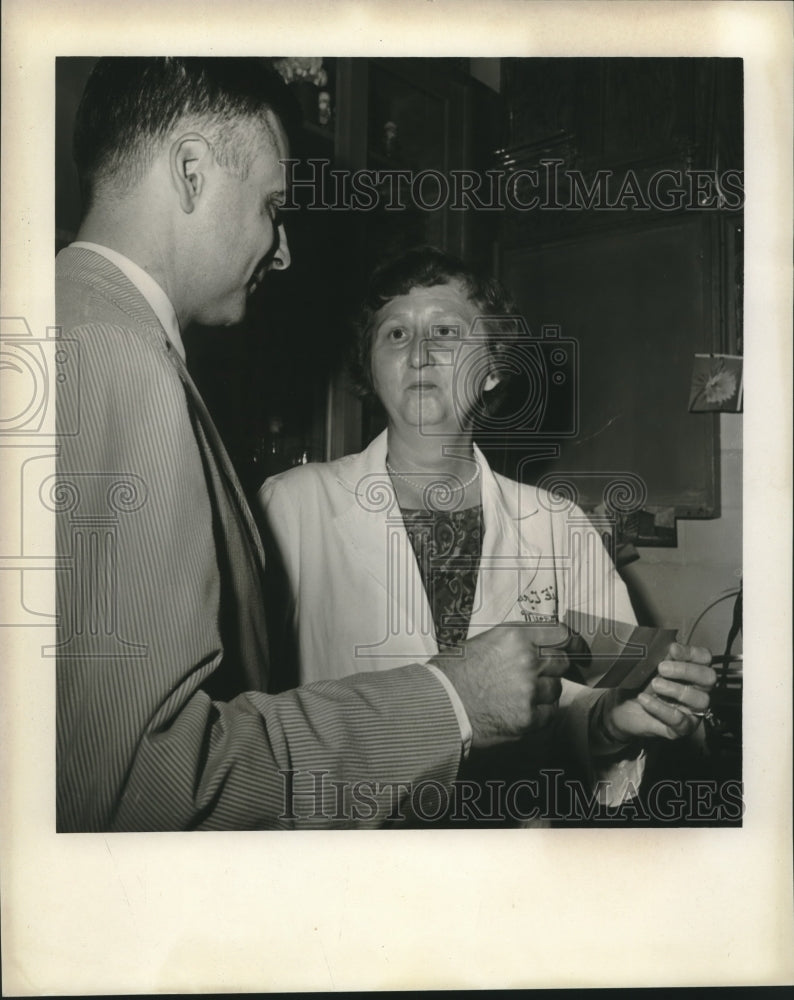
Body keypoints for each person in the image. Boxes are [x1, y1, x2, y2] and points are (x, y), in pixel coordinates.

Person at [55, 57, 593, 832]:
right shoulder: (117, 355)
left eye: (447, 333)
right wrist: (454, 696)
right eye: (274, 205)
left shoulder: (68, 327)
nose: (284, 251)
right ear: (191, 171)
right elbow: (152, 780)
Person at [257, 246, 716, 823]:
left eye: (445, 330)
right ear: (370, 371)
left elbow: (590, 710)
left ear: (495, 364)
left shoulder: (560, 526)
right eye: (395, 334)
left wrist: (615, 718)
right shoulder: (292, 506)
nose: (419, 352)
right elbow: (251, 725)